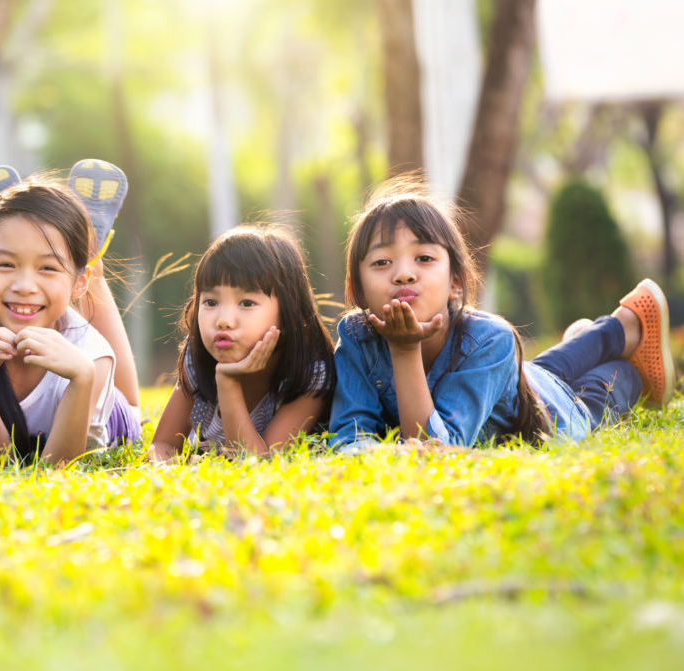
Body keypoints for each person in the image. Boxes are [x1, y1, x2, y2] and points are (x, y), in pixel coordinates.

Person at [327, 176, 676, 450]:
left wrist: (404, 350)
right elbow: (347, 437)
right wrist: (377, 451)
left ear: (456, 284)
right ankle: (605, 332)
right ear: (357, 291)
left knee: (609, 385)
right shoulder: (357, 338)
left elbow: (432, 448)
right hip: (521, 378)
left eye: (424, 258)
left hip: (555, 413)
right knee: (536, 372)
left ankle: (623, 337)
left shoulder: (488, 338)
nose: (403, 273)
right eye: (382, 262)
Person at [0, 160, 141, 463]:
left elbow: (58, 470)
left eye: (47, 267)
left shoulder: (91, 357)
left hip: (100, 414)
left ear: (77, 284)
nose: (24, 286)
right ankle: (55, 239)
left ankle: (89, 254)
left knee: (132, 407)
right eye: (6, 264)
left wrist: (81, 379)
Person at [148, 224, 336, 460]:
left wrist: (227, 382)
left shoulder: (310, 374)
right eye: (211, 302)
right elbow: (164, 443)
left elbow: (258, 464)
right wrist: (164, 472)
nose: (224, 321)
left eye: (247, 303)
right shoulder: (197, 357)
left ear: (288, 312)